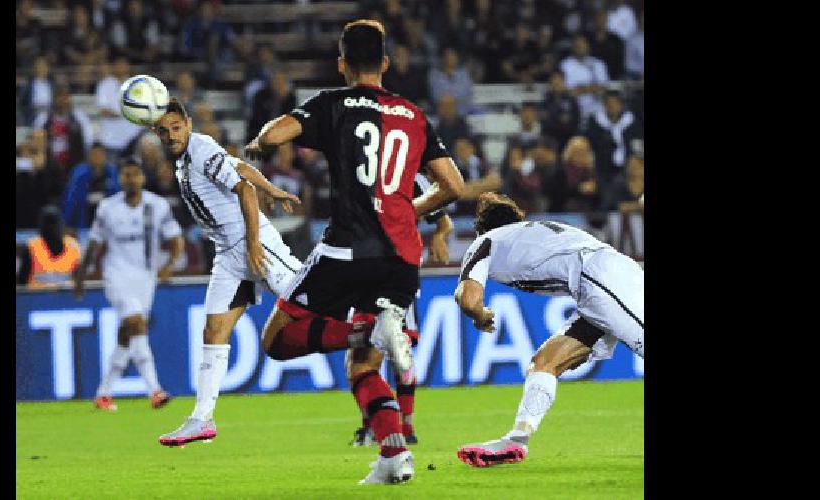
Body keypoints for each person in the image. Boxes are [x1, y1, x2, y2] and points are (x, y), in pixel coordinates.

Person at [244, 20, 465, 484]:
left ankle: (361, 335)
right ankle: (394, 456)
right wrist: (410, 207)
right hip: (401, 259)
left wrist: (259, 141)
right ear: (385, 63)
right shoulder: (414, 115)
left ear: (341, 63)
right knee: (364, 367)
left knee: (276, 340)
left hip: (347, 249)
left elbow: (275, 136)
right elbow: (454, 186)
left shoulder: (332, 104)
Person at [150, 99, 306, 449]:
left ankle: (376, 321)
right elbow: (241, 169)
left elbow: (243, 189)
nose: (172, 135)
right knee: (214, 330)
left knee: (311, 299)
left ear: (187, 124)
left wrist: (253, 243)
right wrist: (274, 189)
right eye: (164, 131)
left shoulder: (200, 147)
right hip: (228, 254)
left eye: (177, 127)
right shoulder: (189, 158)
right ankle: (201, 420)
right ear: (155, 133)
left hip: (252, 243)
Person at [452, 193, 643, 467]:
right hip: (601, 280)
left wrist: (480, 316)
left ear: (481, 228)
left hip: (599, 279)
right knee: (544, 363)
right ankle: (516, 440)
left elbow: (467, 298)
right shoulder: (538, 229)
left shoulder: (486, 241)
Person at [348, 171, 454, 447]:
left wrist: (439, 237)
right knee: (361, 351)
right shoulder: (356, 169)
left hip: (397, 272)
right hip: (361, 271)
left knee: (392, 350)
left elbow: (443, 221)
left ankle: (402, 425)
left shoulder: (412, 177)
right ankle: (374, 425)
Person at [73, 160, 186, 411]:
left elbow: (176, 238)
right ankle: (155, 390)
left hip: (146, 278)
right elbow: (94, 244)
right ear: (120, 178)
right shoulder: (107, 208)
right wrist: (81, 276)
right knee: (137, 323)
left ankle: (103, 393)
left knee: (127, 335)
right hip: (116, 276)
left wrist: (170, 264)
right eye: (126, 175)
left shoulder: (157, 205)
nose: (131, 179)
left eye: (135, 174)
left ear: (142, 178)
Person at [60, 143, 121, 230]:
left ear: (105, 156)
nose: (97, 158)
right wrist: (65, 223)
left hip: (108, 224)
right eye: (94, 154)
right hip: (83, 222)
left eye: (100, 154)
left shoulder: (113, 173)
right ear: (88, 156)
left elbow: (118, 198)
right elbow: (70, 200)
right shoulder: (79, 174)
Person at [25, 206, 82, 289]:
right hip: (37, 300)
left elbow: (79, 282)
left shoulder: (73, 248)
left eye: (53, 223)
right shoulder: (31, 249)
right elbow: (21, 287)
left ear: (62, 226)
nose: (50, 228)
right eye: (47, 224)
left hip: (66, 300)